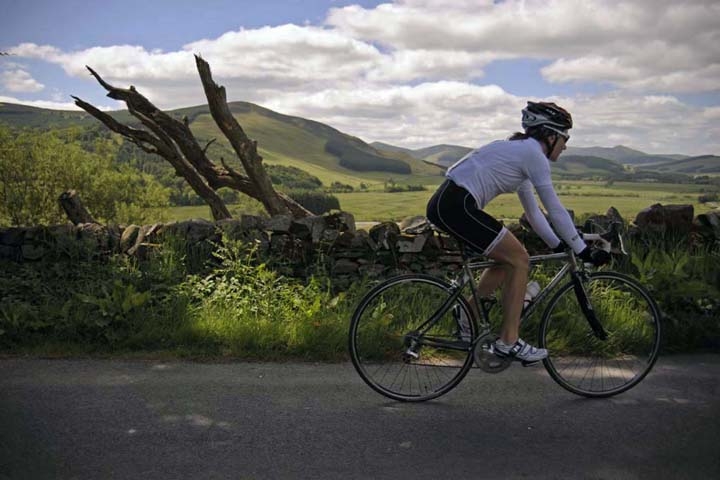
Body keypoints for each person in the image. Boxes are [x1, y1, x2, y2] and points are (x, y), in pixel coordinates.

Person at [426, 101, 609, 365]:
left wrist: (558, 245)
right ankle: (509, 341)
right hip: (456, 205)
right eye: (565, 138)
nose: (566, 145)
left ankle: (467, 313)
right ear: (550, 135)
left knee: (507, 261)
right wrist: (583, 250)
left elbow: (535, 214)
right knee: (520, 258)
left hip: (449, 203)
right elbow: (554, 208)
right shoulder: (533, 155)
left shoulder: (521, 154)